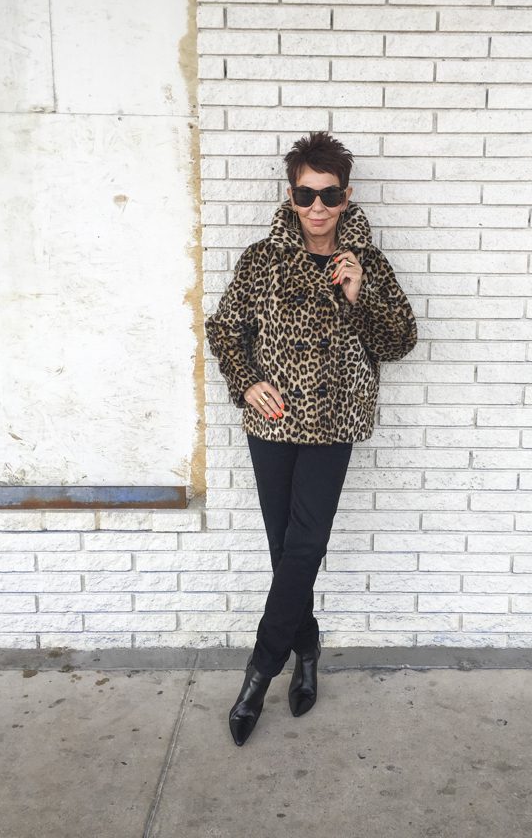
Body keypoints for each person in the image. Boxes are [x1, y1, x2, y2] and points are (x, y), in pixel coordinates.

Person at [204, 131, 417, 747]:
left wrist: (360, 297)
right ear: (291, 195)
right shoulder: (260, 258)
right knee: (284, 548)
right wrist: (246, 383)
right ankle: (309, 649)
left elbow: (399, 344)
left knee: (304, 548)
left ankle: (257, 675)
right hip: (272, 422)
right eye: (306, 193)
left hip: (334, 422)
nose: (318, 206)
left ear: (346, 197)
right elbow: (225, 331)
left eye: (329, 194)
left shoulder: (368, 264)